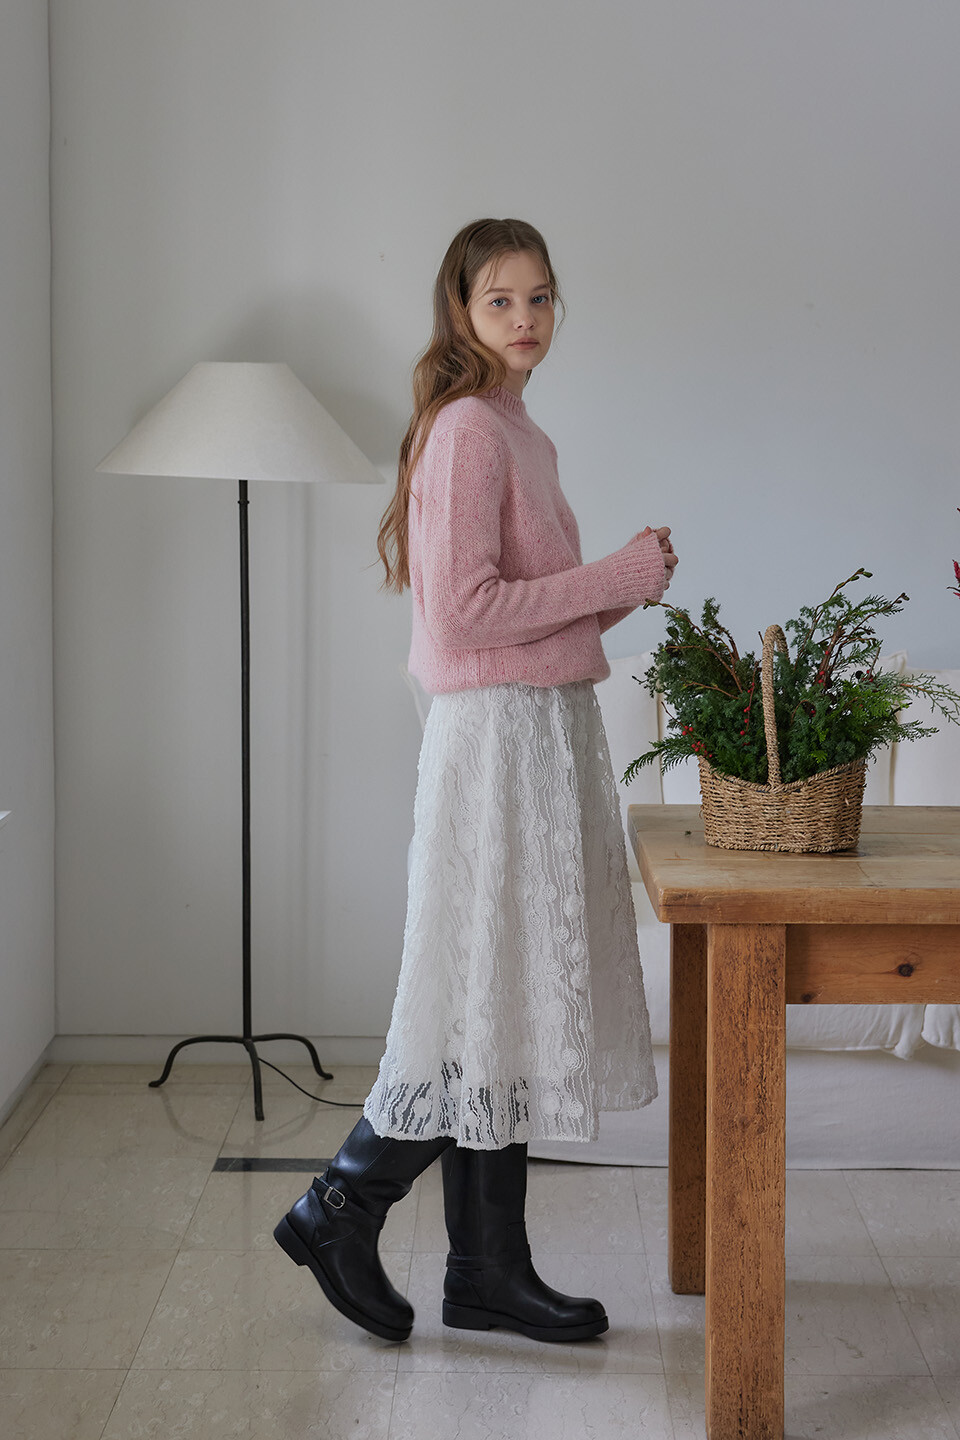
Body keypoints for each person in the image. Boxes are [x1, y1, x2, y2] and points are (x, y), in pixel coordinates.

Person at [275, 218, 678, 1346]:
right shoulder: (466, 430)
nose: (526, 319)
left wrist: (626, 583)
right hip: (497, 743)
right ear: (461, 311)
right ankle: (340, 1205)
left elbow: (529, 616)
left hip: (538, 731)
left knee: (502, 997)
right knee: (475, 996)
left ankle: (486, 1271)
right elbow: (463, 614)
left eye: (541, 298)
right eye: (501, 300)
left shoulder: (519, 430)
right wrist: (610, 572)